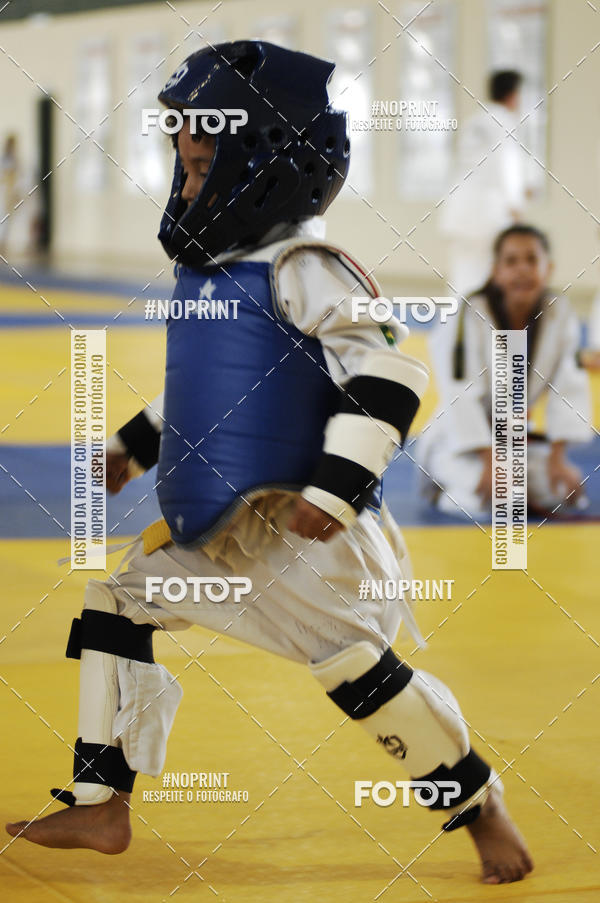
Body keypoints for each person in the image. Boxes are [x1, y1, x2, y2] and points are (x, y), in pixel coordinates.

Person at [6, 41, 533, 885]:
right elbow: (215, 395)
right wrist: (129, 450)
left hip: (312, 539)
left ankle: (479, 806)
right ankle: (102, 801)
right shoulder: (215, 276)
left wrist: (337, 485)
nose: (185, 184)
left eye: (202, 163)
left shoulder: (306, 269)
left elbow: (393, 372)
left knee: (361, 675)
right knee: (113, 603)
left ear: (268, 168)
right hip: (227, 538)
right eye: (180, 165)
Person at [418, 224, 592, 518]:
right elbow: (460, 393)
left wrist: (558, 459)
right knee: (499, 500)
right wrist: (490, 462)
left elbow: (570, 386)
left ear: (548, 268)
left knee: (562, 493)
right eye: (511, 261)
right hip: (458, 439)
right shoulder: (470, 313)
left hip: (512, 437)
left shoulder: (558, 312)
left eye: (531, 260)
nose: (522, 270)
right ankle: (442, 488)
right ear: (495, 271)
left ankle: (511, 481)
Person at [440, 70, 534, 298]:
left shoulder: (475, 121)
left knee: (461, 278)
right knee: (485, 278)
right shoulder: (504, 121)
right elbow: (505, 167)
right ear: (513, 95)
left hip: (460, 211)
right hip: (487, 214)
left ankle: (455, 330)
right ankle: (480, 330)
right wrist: (516, 207)